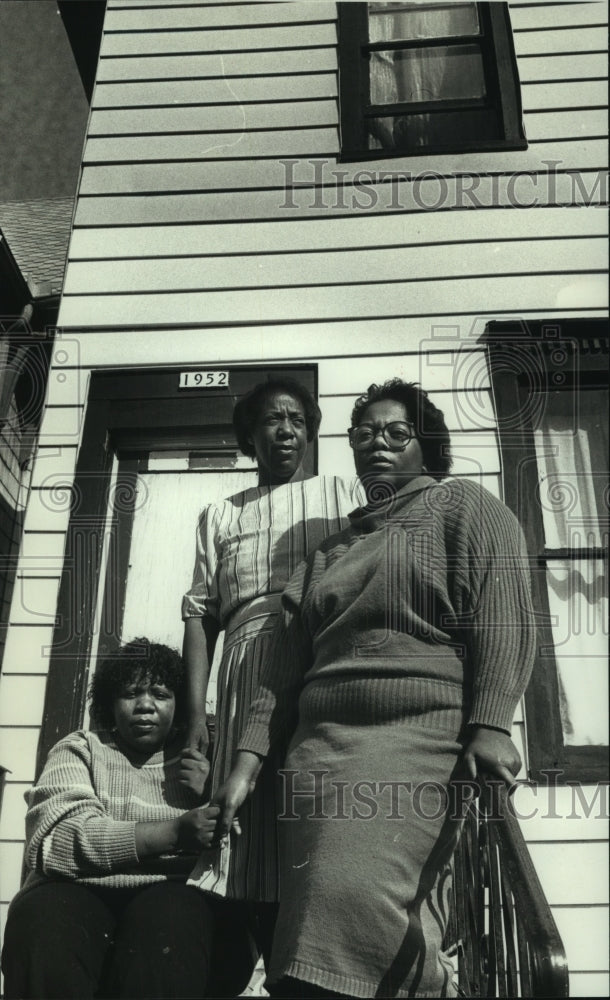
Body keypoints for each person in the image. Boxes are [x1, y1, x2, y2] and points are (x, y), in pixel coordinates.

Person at [214, 379, 537, 998]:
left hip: (416, 740)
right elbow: (280, 675)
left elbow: (503, 613)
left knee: (359, 901)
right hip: (317, 753)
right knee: (310, 922)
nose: (377, 444)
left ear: (427, 446)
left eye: (396, 432)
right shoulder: (327, 551)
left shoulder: (464, 506)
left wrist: (493, 723)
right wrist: (246, 766)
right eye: (363, 433)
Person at [181, 376, 363, 956]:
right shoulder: (219, 514)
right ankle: (257, 966)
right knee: (247, 824)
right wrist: (194, 723)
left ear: (310, 432)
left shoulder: (341, 492)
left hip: (320, 657)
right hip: (246, 668)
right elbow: (199, 616)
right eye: (270, 421)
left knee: (315, 805)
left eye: (297, 421)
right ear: (249, 436)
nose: (285, 431)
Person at [1, 639, 255, 1000]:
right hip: (78, 893)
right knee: (43, 919)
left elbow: (249, 846)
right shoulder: (81, 749)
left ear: (182, 704)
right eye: (131, 693)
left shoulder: (208, 758)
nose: (145, 706)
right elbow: (55, 843)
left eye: (161, 694)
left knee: (171, 918)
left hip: (175, 900)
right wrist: (174, 832)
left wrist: (212, 791)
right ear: (109, 701)